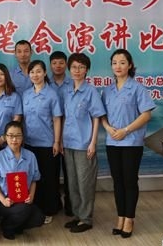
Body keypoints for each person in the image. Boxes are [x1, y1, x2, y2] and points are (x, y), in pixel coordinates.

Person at [101, 49, 155, 238]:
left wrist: (126, 130)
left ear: (130, 65)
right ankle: (120, 216)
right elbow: (102, 115)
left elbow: (146, 115)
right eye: (114, 62)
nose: (118, 66)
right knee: (117, 181)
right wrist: (108, 128)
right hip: (112, 141)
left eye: (122, 62)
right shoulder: (107, 90)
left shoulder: (137, 88)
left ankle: (129, 218)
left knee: (129, 181)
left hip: (131, 142)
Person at [61, 53, 106, 233]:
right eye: (74, 67)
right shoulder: (67, 91)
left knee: (84, 182)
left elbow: (96, 118)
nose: (77, 70)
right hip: (68, 143)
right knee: (72, 183)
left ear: (87, 70)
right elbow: (64, 117)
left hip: (84, 144)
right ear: (69, 69)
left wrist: (93, 142)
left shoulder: (90, 91)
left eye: (81, 67)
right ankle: (77, 215)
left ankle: (86, 218)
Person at [22, 59, 63, 224]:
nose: (35, 75)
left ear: (45, 73)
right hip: (29, 143)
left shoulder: (52, 94)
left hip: (47, 143)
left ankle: (50, 209)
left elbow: (57, 119)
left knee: (49, 178)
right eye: (32, 72)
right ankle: (36, 208)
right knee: (34, 178)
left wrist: (57, 142)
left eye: (38, 71)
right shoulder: (26, 94)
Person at [0, 121, 45, 240]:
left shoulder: (30, 156)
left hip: (22, 199)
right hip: (3, 200)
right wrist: (3, 200)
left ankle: (14, 224)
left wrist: (31, 196)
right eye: (10, 136)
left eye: (18, 136)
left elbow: (34, 179)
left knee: (39, 218)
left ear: (23, 137)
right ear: (5, 137)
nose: (14, 139)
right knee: (24, 210)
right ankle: (7, 227)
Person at [49, 50, 73, 216]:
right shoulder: (45, 83)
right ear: (50, 65)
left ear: (66, 65)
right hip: (49, 135)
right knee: (52, 173)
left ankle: (71, 205)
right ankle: (54, 203)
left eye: (61, 63)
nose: (58, 66)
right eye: (54, 63)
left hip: (70, 134)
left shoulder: (73, 83)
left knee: (69, 172)